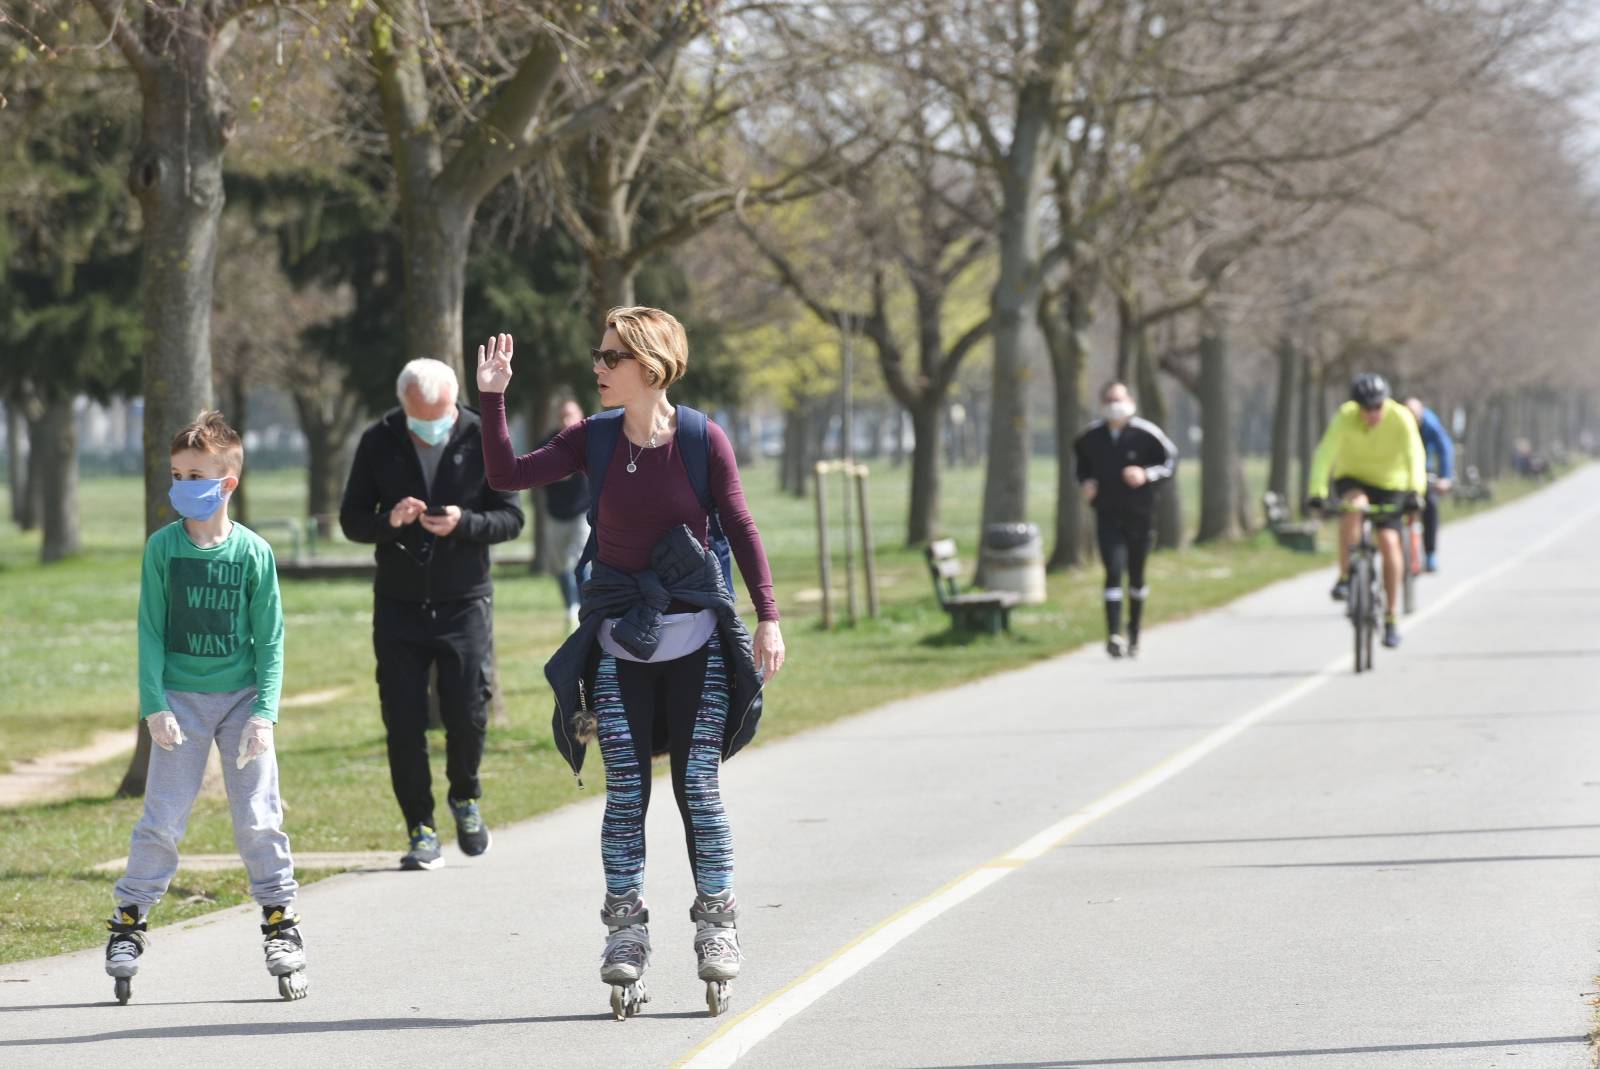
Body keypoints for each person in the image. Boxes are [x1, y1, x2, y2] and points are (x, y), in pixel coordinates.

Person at [476, 307, 785, 1020]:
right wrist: (492, 395)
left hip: (697, 641)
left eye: (608, 356)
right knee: (625, 792)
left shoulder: (705, 439)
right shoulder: (596, 437)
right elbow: (506, 471)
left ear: (648, 366)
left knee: (697, 787)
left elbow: (739, 524)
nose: (597, 365)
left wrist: (767, 614)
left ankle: (717, 921)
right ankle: (625, 932)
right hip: (620, 642)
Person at [105, 411, 307, 1003]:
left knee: (257, 818)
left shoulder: (252, 553)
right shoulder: (162, 548)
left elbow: (270, 640)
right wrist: (154, 706)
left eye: (195, 473)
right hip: (181, 703)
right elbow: (148, 630)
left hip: (243, 700)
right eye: (175, 473)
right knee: (162, 820)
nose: (181, 484)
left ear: (226, 482)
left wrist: (265, 713)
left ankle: (280, 922)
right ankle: (129, 923)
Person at [339, 358, 525, 870]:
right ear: (403, 408)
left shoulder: (485, 434)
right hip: (399, 604)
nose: (431, 426)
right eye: (419, 418)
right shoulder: (378, 440)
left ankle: (465, 796)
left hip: (464, 599)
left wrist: (466, 522)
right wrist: (390, 522)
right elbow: (352, 520)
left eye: (439, 416)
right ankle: (420, 827)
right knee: (403, 720)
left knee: (467, 710)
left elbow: (512, 517)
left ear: (456, 400)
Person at [1307, 373, 1426, 649]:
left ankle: (1391, 617)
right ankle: (1347, 576)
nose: (1372, 414)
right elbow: (1325, 454)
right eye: (1366, 408)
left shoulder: (1401, 418)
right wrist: (1317, 492)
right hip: (1354, 478)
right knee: (1354, 508)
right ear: (1357, 405)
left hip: (1392, 483)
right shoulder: (1345, 417)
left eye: (1377, 407)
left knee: (1388, 542)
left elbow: (1415, 456)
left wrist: (1415, 493)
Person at [1073, 381, 1178, 659]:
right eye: (1108, 400)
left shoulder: (1147, 434)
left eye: (1118, 399)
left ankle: (1134, 632)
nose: (1114, 405)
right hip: (1107, 514)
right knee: (1113, 571)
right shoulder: (1090, 438)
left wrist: (1146, 475)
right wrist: (1086, 483)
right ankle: (1113, 634)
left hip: (1140, 515)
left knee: (1136, 574)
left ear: (1130, 401)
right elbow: (1081, 467)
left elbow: (1169, 463)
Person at [540, 398, 591, 630]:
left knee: (579, 561)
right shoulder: (549, 442)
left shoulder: (588, 438)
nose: (566, 420)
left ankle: (584, 608)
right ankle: (570, 606)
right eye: (563, 416)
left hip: (582, 512)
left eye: (571, 415)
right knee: (561, 566)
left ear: (580, 415)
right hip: (556, 513)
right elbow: (538, 472)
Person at [1404, 397, 1455, 572]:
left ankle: (1430, 552)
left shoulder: (1430, 423)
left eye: (1415, 416)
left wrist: (1445, 477)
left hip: (1424, 469)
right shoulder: (1397, 423)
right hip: (1401, 470)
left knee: (1430, 503)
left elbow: (1445, 449)